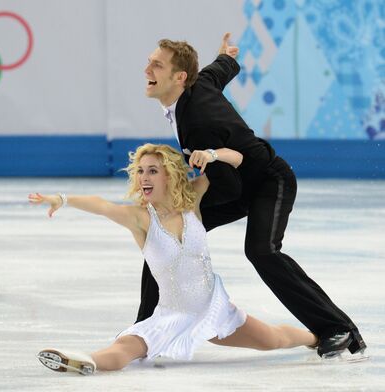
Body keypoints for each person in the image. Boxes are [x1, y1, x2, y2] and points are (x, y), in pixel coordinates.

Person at [140, 33, 365, 358]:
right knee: (163, 236)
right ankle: (145, 330)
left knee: (262, 251)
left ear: (179, 77)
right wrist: (227, 57)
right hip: (239, 182)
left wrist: (186, 203)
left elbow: (228, 188)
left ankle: (338, 329)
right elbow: (216, 73)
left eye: (156, 64)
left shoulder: (197, 122)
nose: (147, 68)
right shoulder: (196, 86)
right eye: (149, 61)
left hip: (268, 181)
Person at [30, 143, 317, 375]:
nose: (144, 177)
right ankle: (82, 360)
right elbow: (103, 206)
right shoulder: (141, 219)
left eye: (153, 170)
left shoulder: (192, 199)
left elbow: (240, 159)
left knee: (274, 339)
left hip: (215, 309)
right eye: (141, 171)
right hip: (172, 315)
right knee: (127, 348)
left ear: (169, 175)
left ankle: (318, 337)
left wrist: (213, 155)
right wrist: (62, 199)